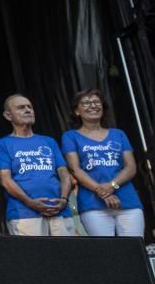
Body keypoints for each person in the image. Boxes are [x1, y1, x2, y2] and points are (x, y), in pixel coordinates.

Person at [61, 89, 144, 237]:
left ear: (103, 108)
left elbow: (131, 167)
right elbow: (75, 170)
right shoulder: (70, 136)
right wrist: (103, 193)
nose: (92, 105)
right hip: (93, 205)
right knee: (107, 254)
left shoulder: (118, 134)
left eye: (96, 102)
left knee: (134, 252)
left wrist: (112, 186)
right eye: (86, 103)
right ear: (77, 111)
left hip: (128, 202)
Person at [0, 94, 74, 236]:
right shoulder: (3, 144)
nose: (28, 110)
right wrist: (30, 202)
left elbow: (64, 174)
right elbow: (5, 180)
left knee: (67, 257)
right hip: (24, 214)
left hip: (59, 211)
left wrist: (64, 200)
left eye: (30, 107)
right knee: (33, 258)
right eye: (21, 108)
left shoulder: (49, 141)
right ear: (8, 115)